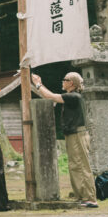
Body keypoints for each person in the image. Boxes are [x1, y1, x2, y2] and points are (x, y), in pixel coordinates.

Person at [33, 72, 98, 208]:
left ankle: (90, 198)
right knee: (74, 165)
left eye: (64, 79)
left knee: (81, 165)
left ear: (71, 83)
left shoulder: (73, 96)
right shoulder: (72, 97)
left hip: (77, 134)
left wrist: (38, 84)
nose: (62, 81)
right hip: (73, 134)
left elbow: (51, 96)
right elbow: (51, 96)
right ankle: (81, 196)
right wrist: (40, 85)